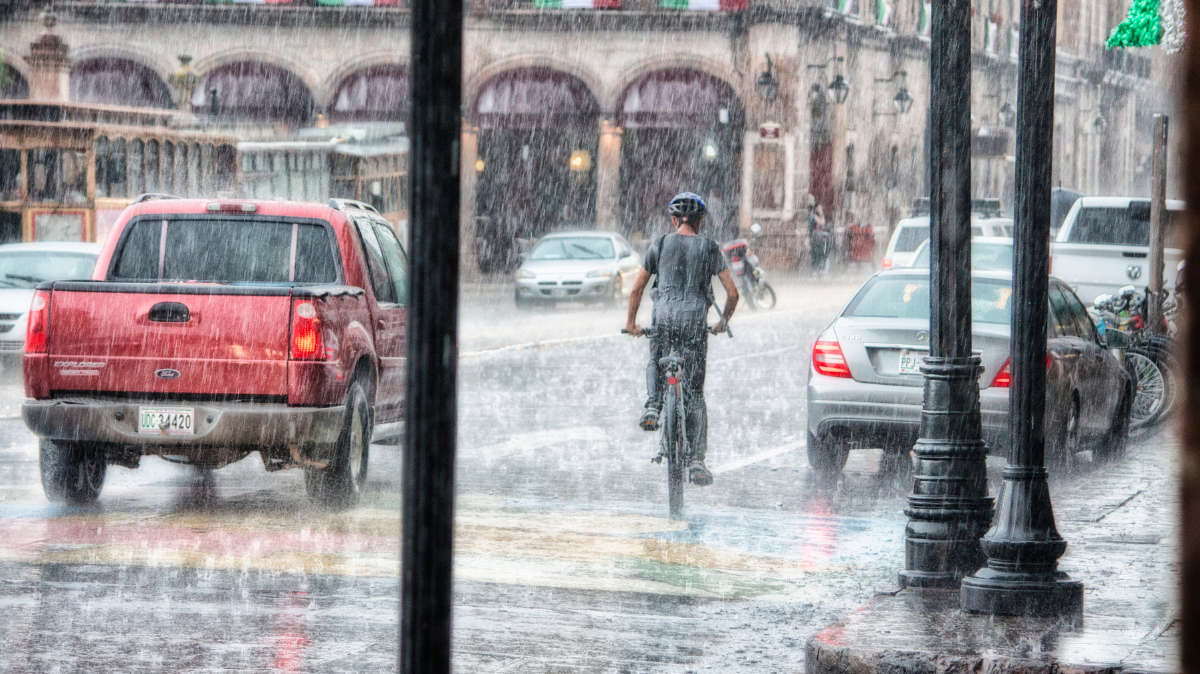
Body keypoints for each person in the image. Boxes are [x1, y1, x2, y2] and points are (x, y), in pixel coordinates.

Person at [624, 192, 739, 487]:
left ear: (674, 220)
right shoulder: (710, 248)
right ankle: (697, 461)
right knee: (695, 394)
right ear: (699, 221)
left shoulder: (660, 244)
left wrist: (631, 323)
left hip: (663, 319)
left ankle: (653, 405)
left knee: (655, 358)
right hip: (693, 323)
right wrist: (721, 322)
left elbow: (637, 289)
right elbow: (733, 293)